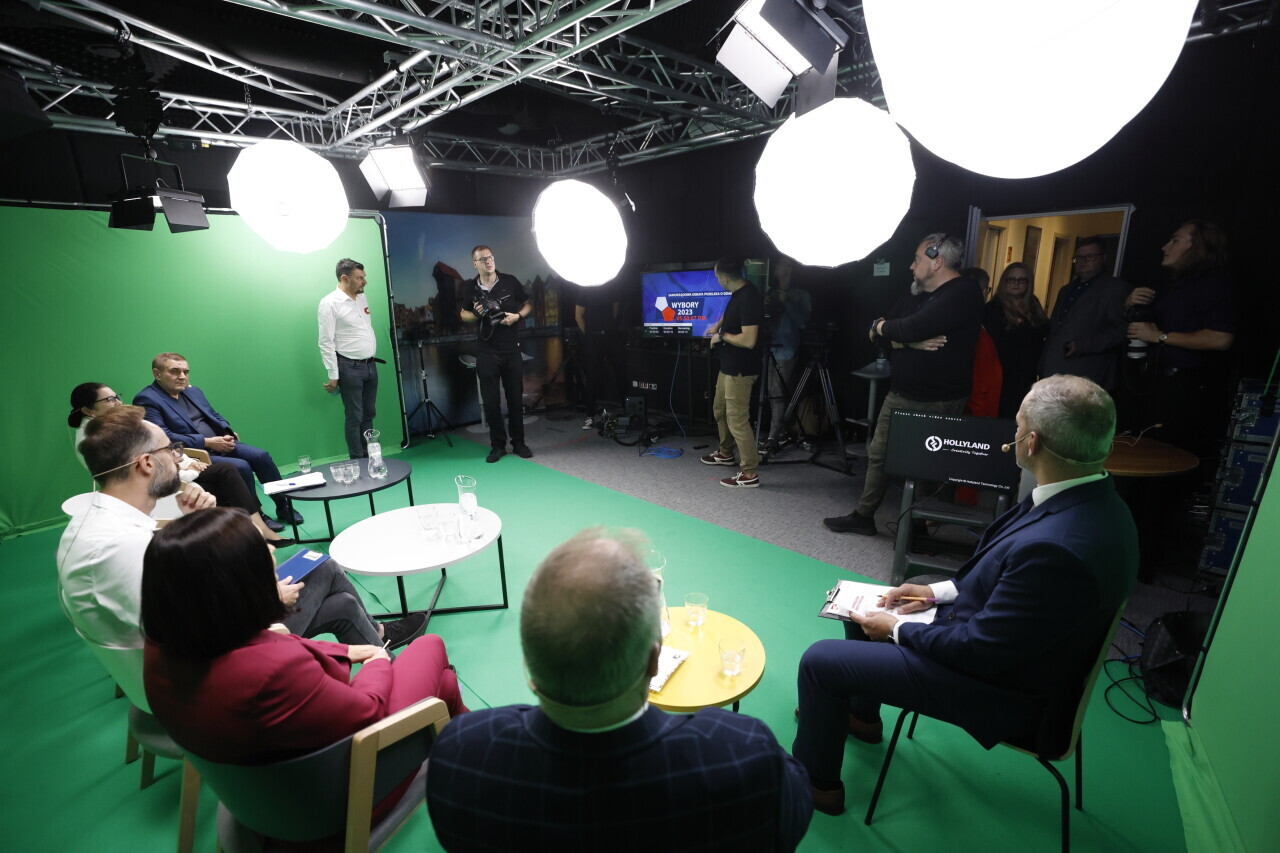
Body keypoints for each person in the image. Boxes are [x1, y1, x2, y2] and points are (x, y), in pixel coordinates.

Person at [794, 375, 1139, 815]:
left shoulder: (1057, 549)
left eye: (1017, 425)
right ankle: (860, 718)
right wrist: (934, 592)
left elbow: (979, 652)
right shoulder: (1088, 497)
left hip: (1000, 691)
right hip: (1010, 653)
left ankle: (815, 786)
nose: (1012, 434)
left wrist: (898, 630)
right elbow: (1005, 574)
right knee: (863, 609)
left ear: (1032, 442)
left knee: (820, 662)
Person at [426, 528, 812, 851]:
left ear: (529, 668)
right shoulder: (742, 755)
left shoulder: (459, 754)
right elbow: (795, 807)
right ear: (654, 661)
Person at [142, 509, 465, 828]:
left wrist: (345, 650)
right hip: (338, 799)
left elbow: (273, 639)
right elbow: (368, 709)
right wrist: (378, 662)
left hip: (257, 796)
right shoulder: (272, 670)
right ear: (236, 585)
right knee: (430, 648)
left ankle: (469, 741)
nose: (271, 550)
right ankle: (473, 750)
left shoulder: (162, 651)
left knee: (348, 611)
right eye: (260, 551)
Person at [57, 405, 425, 651]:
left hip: (200, 641)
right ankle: (394, 681)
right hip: (217, 664)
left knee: (328, 577)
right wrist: (266, 600)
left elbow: (184, 594)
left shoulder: (101, 524)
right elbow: (193, 637)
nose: (180, 458)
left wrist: (196, 518)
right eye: (172, 449)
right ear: (147, 464)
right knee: (326, 577)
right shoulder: (124, 548)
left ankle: (380, 643)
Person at [823, 234, 984, 535]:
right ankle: (863, 516)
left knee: (924, 465)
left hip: (938, 399)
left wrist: (888, 329)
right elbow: (877, 334)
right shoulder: (915, 293)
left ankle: (918, 528)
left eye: (917, 259)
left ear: (937, 261)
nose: (911, 266)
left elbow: (907, 327)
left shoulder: (964, 291)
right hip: (900, 392)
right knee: (878, 454)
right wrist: (906, 341)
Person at [68, 382, 293, 545]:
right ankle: (250, 532)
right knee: (229, 473)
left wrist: (189, 459)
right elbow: (151, 460)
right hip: (161, 482)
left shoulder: (191, 392)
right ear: (88, 410)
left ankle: (262, 522)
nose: (118, 402)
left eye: (116, 396)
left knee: (250, 460)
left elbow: (162, 447)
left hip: (181, 463)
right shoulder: (98, 439)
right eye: (109, 400)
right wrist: (185, 469)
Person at [134, 352, 302, 530]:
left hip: (220, 444)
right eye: (175, 371)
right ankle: (257, 515)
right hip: (193, 454)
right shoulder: (147, 399)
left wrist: (227, 431)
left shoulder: (193, 391)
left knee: (261, 456)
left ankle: (283, 506)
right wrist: (207, 442)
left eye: (185, 372)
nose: (182, 376)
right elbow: (164, 436)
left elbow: (214, 415)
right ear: (157, 373)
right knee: (241, 466)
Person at [1124, 219, 1235, 458]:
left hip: (1184, 390)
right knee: (1142, 450)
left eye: (1175, 240)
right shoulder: (1173, 284)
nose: (1165, 247)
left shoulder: (1214, 284)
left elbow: (1221, 339)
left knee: (1167, 457)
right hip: (1154, 383)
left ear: (1198, 246)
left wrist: (1159, 336)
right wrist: (1130, 303)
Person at [460, 245, 533, 463]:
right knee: (491, 403)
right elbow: (463, 314)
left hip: (511, 349)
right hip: (486, 352)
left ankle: (519, 443)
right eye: (483, 259)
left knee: (515, 400)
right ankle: (498, 446)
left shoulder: (510, 281)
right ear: (475, 264)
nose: (488, 261)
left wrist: (518, 317)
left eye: (490, 257)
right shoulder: (471, 288)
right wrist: (476, 314)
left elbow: (528, 304)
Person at [700, 256, 764, 488]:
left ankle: (749, 473)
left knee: (737, 420)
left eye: (717, 277)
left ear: (725, 278)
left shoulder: (749, 298)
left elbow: (749, 340)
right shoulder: (739, 293)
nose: (718, 281)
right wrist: (717, 325)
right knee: (720, 410)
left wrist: (722, 336)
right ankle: (725, 452)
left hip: (741, 369)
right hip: (728, 365)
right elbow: (731, 315)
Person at [1039, 236, 1128, 391]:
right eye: (1079, 257)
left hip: (1087, 373)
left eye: (1090, 256)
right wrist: (1043, 365)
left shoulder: (1115, 289)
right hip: (1053, 371)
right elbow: (1055, 330)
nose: (1083, 261)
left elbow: (1121, 331)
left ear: (1103, 258)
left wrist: (1083, 345)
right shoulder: (1066, 290)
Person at [319, 257, 382, 459]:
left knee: (369, 414)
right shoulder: (329, 303)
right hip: (349, 368)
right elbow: (325, 341)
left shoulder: (361, 297)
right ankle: (358, 462)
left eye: (364, 277)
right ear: (345, 278)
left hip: (370, 366)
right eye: (359, 278)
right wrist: (333, 375)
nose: (365, 282)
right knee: (354, 417)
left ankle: (371, 458)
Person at [759, 256, 812, 456]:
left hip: (787, 349)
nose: (775, 267)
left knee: (778, 393)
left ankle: (774, 437)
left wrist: (786, 302)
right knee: (771, 392)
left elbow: (803, 322)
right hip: (769, 348)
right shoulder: (771, 292)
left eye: (780, 264)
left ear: (789, 268)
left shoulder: (801, 295)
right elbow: (765, 320)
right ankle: (776, 433)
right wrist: (766, 306)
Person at [984, 263, 1049, 419]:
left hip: (1027, 374)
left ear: (1028, 283)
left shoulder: (1034, 307)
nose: (1016, 283)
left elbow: (1044, 333)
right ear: (1004, 282)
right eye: (1011, 279)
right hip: (999, 374)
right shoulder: (991, 309)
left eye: (1021, 280)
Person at [574, 276, 628, 430]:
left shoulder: (611, 285)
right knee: (591, 377)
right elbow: (578, 315)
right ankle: (590, 416)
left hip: (611, 336)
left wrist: (608, 329)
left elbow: (615, 311)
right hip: (594, 338)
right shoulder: (584, 287)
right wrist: (589, 336)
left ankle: (627, 411)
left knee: (621, 373)